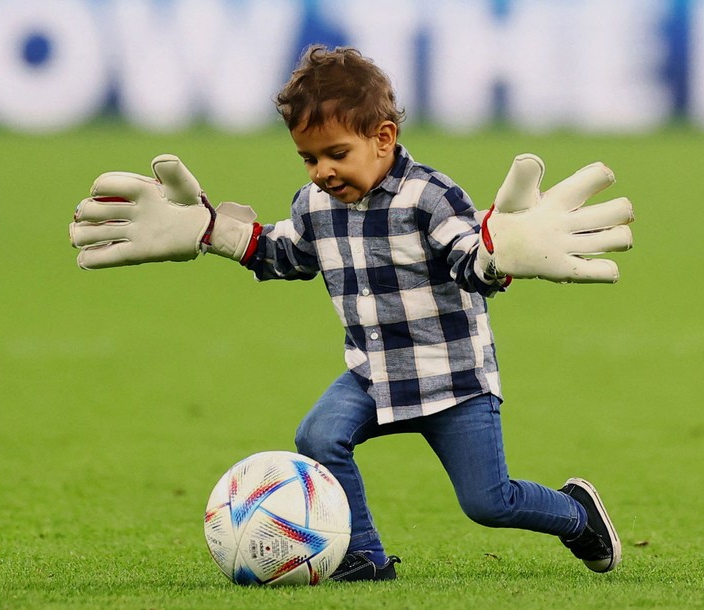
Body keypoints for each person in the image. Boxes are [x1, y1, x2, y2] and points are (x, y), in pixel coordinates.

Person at [69, 45, 634, 582]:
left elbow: (470, 263)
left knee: (488, 503)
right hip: (373, 372)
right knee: (318, 435)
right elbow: (285, 254)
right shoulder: (314, 204)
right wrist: (210, 231)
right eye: (309, 157)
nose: (321, 171)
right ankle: (362, 556)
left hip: (453, 378)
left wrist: (497, 257)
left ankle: (577, 515)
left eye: (336, 154)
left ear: (383, 137)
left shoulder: (430, 197)